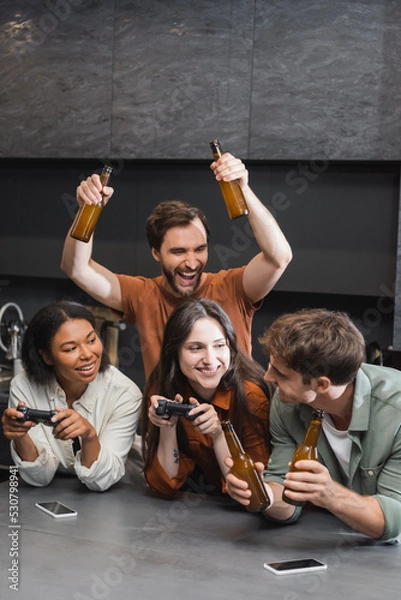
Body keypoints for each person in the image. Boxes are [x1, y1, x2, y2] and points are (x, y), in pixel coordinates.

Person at [61, 153, 292, 378]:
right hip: (164, 415)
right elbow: (77, 268)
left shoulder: (233, 287)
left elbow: (278, 257)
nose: (191, 263)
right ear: (155, 253)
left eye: (200, 249)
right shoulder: (142, 294)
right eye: (178, 251)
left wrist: (243, 190)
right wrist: (86, 209)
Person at [225, 308, 401, 542]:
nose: (267, 378)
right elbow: (286, 498)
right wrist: (262, 493)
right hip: (338, 543)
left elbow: (393, 521)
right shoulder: (287, 402)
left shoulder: (395, 413)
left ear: (321, 385)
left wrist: (331, 495)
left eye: (281, 373)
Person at [2, 301, 142, 492]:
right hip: (52, 494)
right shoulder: (24, 386)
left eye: (91, 340)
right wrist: (20, 435)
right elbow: (39, 478)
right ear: (47, 357)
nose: (87, 354)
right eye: (70, 349)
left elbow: (103, 480)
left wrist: (89, 436)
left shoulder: (125, 393)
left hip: (120, 496)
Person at [141, 298, 273, 498]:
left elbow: (250, 491)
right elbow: (163, 486)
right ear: (174, 351)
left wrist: (218, 434)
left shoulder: (250, 395)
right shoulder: (163, 386)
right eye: (195, 348)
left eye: (219, 346)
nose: (210, 360)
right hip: (195, 506)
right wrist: (167, 426)